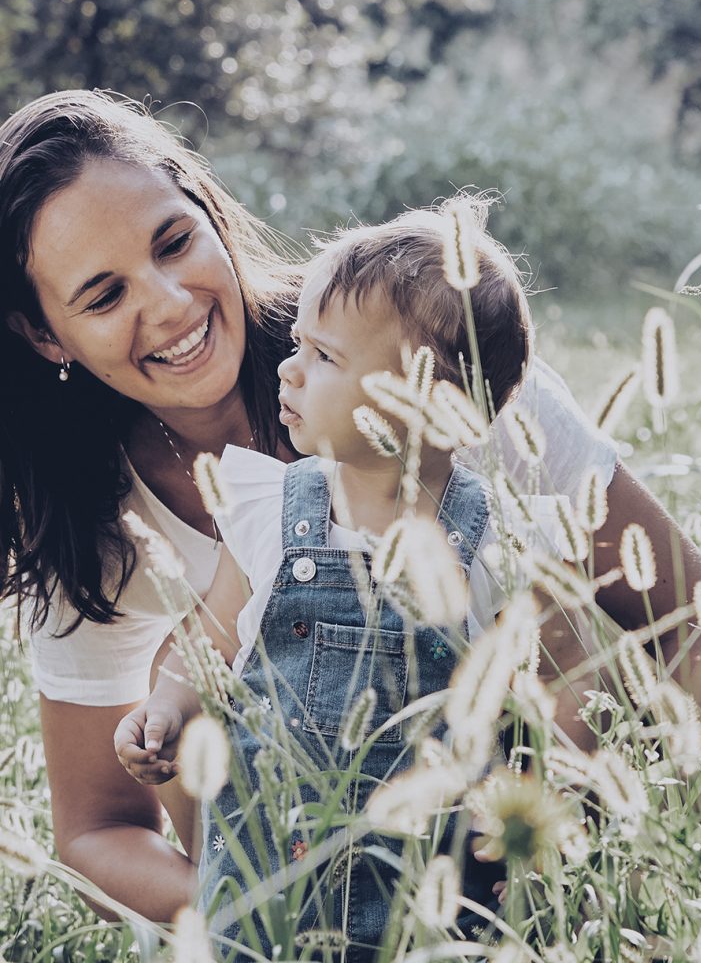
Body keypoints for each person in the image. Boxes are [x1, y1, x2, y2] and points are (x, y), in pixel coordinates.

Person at [0, 89, 701, 927]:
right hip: (279, 886)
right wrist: (269, 917)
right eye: (103, 297)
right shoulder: (84, 514)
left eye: (174, 241)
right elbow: (98, 830)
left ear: (208, 212)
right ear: (43, 336)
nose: (169, 303)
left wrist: (632, 857)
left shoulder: (434, 370)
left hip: (489, 880)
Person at [113, 197, 567, 958]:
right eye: (298, 344)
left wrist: (544, 792)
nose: (287, 369)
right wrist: (164, 708)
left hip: (436, 895)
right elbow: (214, 638)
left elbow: (570, 679)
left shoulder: (501, 541)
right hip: (268, 886)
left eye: (324, 357)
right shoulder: (266, 508)